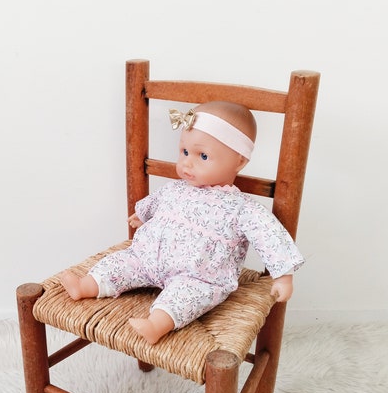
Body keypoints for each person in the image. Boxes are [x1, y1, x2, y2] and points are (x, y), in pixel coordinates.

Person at [60, 101, 304, 344]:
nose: (187, 163)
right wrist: (142, 214)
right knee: (120, 262)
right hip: (146, 259)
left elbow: (269, 234)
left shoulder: (241, 208)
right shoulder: (176, 188)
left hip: (198, 277)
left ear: (239, 162)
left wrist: (283, 274)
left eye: (203, 156)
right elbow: (156, 202)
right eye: (185, 152)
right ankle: (86, 286)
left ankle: (157, 324)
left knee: (185, 297)